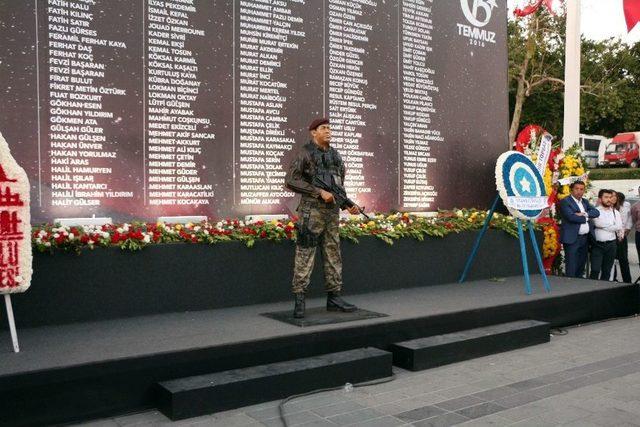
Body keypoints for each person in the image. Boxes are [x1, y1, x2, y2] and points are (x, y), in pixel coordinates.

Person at [284, 118, 361, 318]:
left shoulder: (336, 156)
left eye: (329, 128)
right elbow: (291, 180)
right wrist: (318, 191)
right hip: (311, 212)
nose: (328, 131)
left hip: (331, 213)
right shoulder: (305, 153)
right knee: (305, 255)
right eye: (323, 128)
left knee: (333, 254)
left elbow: (337, 187)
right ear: (313, 133)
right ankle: (300, 300)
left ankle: (334, 298)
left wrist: (348, 204)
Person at [559, 181, 599, 278]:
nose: (579, 191)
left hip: (585, 238)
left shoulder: (584, 201)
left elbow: (596, 212)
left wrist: (584, 214)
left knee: (581, 264)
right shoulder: (566, 201)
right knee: (572, 264)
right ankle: (570, 286)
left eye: (582, 189)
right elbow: (571, 217)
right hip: (572, 238)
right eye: (577, 189)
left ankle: (579, 285)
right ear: (571, 189)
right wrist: (587, 217)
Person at [590, 189, 623, 280]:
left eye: (610, 197)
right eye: (606, 197)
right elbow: (597, 224)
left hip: (611, 245)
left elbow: (619, 226)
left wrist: (604, 225)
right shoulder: (595, 211)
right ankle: (591, 291)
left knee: (607, 271)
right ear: (600, 199)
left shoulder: (615, 212)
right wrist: (612, 225)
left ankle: (603, 292)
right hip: (597, 245)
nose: (609, 199)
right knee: (595, 270)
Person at [611, 192, 632, 283]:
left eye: (619, 200)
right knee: (611, 259)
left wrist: (628, 228)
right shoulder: (609, 206)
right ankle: (613, 279)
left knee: (623, 260)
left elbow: (630, 217)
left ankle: (627, 281)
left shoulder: (626, 205)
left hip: (622, 235)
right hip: (611, 235)